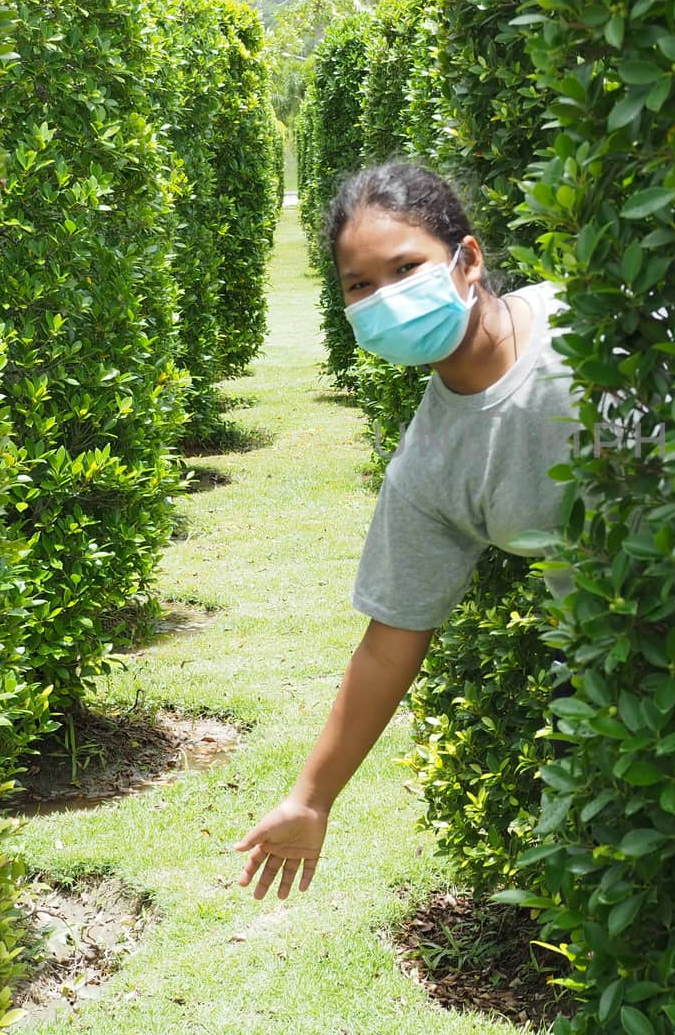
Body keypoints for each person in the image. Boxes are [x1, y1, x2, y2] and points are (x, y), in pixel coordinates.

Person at [234, 160, 580, 902]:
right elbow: (391, 640)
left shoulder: (587, 321)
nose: (387, 297)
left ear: (469, 259)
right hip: (633, 698)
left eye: (406, 267)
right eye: (362, 285)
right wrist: (311, 797)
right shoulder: (428, 468)